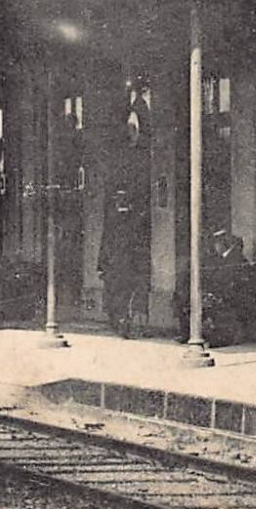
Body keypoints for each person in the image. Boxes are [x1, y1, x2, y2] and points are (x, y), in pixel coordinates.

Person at [100, 104, 152, 337]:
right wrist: (102, 264)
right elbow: (106, 238)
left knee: (129, 293)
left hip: (130, 266)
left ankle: (127, 321)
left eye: (135, 129)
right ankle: (118, 320)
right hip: (116, 268)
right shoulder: (113, 218)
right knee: (115, 295)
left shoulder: (135, 219)